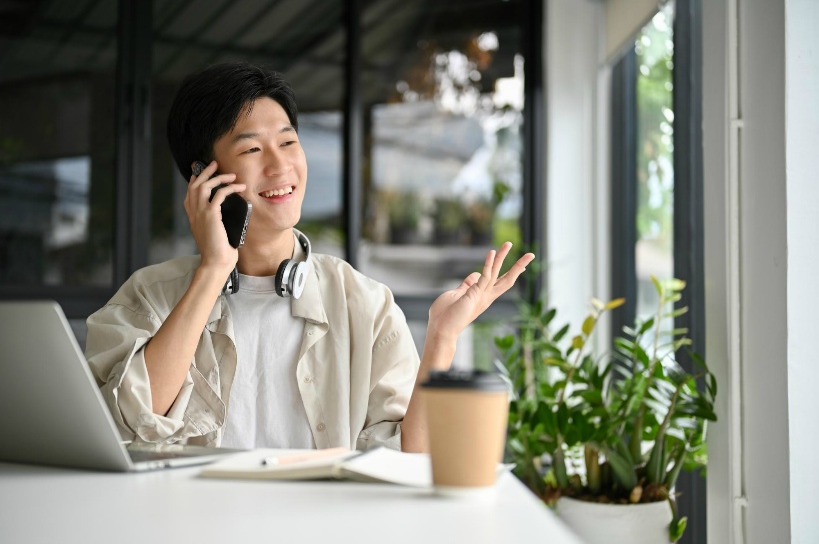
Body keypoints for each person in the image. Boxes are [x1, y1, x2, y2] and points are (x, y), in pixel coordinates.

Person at [85, 62, 534, 453]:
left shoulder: (365, 303)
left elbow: (405, 458)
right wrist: (213, 270)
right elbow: (122, 427)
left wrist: (442, 337)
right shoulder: (148, 296)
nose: (280, 166)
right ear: (203, 178)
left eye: (288, 142)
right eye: (251, 149)